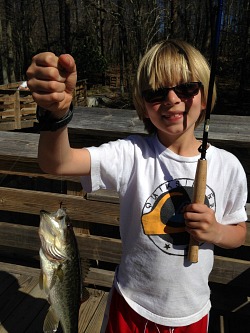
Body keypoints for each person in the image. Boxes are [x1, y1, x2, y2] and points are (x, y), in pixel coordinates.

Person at [26, 39, 247, 333]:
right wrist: (56, 115)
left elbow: (238, 233)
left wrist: (217, 231)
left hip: (192, 313)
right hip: (130, 306)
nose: (171, 99)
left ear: (205, 97)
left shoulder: (228, 166)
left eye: (186, 88)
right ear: (143, 105)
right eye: (156, 92)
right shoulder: (131, 154)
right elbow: (58, 163)